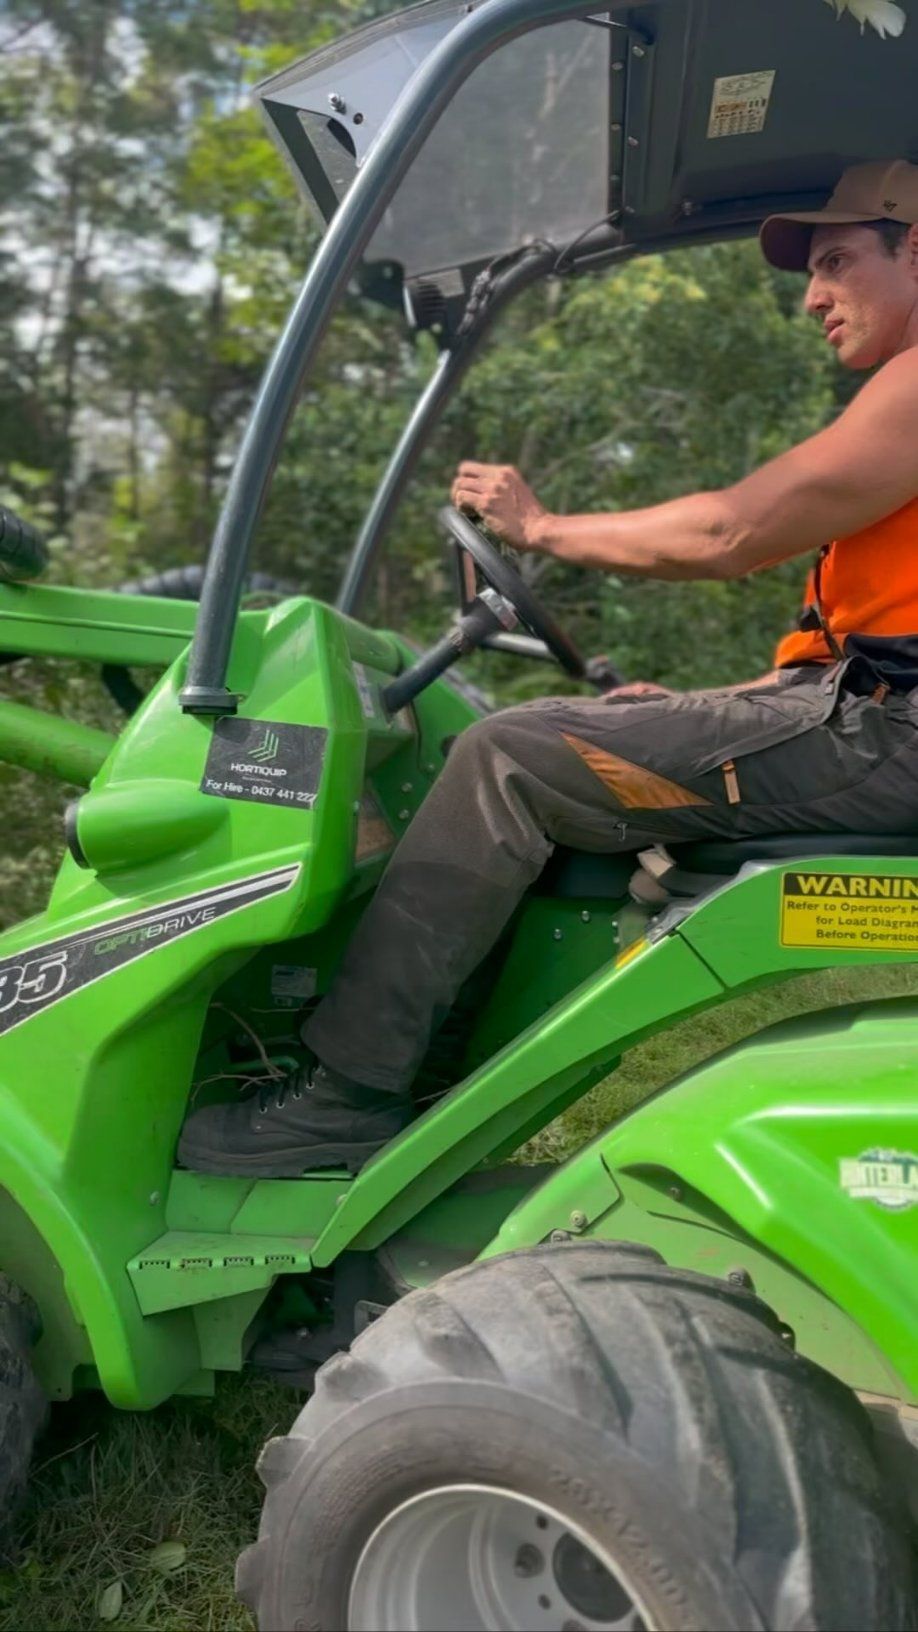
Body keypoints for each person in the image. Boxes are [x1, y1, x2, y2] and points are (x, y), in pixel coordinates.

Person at [179, 157, 918, 1176]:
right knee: (552, 743)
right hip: (873, 725)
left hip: (890, 740)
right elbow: (860, 653)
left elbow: (733, 529)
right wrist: (713, 704)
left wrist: (543, 526)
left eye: (836, 260)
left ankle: (345, 1094)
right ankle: (425, 1072)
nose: (812, 296)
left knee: (507, 758)